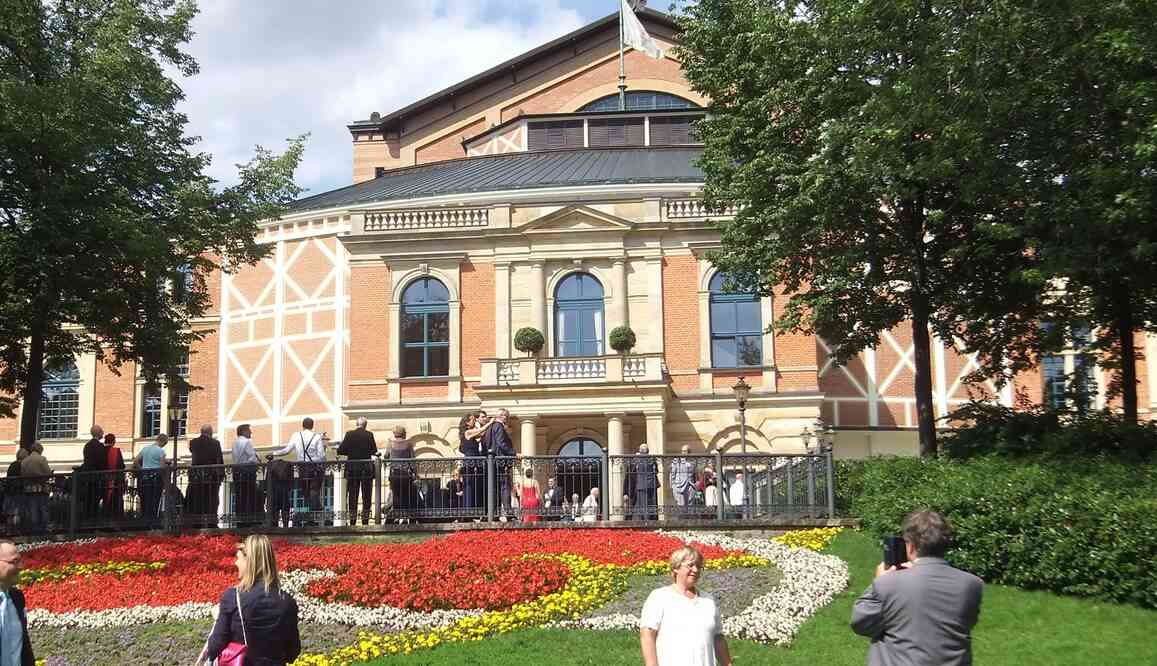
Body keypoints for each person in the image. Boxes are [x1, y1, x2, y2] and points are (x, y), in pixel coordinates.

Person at [851, 510, 983, 666]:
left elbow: (861, 624)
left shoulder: (888, 583)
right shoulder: (972, 584)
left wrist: (878, 582)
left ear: (911, 546)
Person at [198, 535, 301, 666]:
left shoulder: (233, 597)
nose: (236, 563)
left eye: (238, 558)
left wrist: (219, 619)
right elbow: (292, 652)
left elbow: (214, 648)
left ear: (249, 561)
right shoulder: (288, 602)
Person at [640, 546, 732, 666]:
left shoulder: (708, 600)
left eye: (699, 566)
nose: (696, 570)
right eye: (690, 565)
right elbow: (647, 634)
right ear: (676, 568)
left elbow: (718, 638)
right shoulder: (660, 597)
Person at [271, 417, 329, 527]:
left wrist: (274, 454)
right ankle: (314, 515)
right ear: (312, 426)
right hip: (314, 467)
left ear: (303, 425)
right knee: (314, 491)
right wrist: (321, 463)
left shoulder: (296, 436)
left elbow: (287, 450)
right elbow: (321, 456)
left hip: (302, 468)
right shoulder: (317, 437)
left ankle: (311, 515)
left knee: (306, 492)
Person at [0, 540, 36, 666]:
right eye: (14, 562)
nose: (20, 567)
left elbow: (24, 647)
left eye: (20, 561)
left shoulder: (17, 598)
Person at [337, 417, 378, 526]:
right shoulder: (369, 434)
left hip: (352, 469)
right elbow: (374, 450)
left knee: (352, 496)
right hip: (366, 469)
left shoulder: (349, 434)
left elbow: (341, 450)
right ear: (365, 425)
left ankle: (352, 521)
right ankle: (365, 521)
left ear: (356, 424)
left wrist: (351, 452)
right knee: (366, 496)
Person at [481, 408, 515, 521]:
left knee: (494, 488)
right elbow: (501, 444)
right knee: (505, 487)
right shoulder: (499, 426)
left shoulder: (489, 427)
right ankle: (508, 513)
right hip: (501, 462)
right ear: (502, 416)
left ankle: (494, 514)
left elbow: (485, 444)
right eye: (507, 417)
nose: (507, 419)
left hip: (492, 462)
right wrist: (514, 453)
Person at [188, 424, 225, 527]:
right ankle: (211, 523)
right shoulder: (215, 443)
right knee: (212, 500)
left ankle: (197, 523)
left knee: (198, 500)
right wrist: (221, 474)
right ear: (210, 432)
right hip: (211, 477)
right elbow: (219, 460)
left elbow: (193, 453)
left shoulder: (193, 442)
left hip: (196, 477)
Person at [134, 434, 169, 525]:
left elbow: (136, 461)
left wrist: (142, 470)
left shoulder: (145, 449)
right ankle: (153, 521)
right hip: (156, 478)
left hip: (145, 478)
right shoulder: (161, 451)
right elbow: (162, 467)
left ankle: (145, 520)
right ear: (163, 442)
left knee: (146, 499)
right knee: (155, 500)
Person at [231, 424, 261, 527]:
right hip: (247, 473)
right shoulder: (247, 442)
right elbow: (252, 458)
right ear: (243, 431)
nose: (250, 432)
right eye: (249, 430)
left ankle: (240, 521)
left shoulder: (234, 443)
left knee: (240, 497)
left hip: (237, 473)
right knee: (250, 496)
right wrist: (257, 460)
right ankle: (249, 521)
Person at [386, 426, 415, 524]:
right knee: (406, 496)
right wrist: (415, 473)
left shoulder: (390, 443)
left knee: (396, 496)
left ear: (395, 434)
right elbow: (412, 460)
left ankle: (396, 517)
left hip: (394, 473)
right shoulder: (408, 443)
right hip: (406, 473)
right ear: (403, 433)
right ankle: (405, 517)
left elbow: (386, 456)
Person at [20, 443, 52, 532]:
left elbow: (22, 474)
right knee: (43, 509)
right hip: (41, 488)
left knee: (32, 510)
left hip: (29, 489)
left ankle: (34, 530)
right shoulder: (42, 459)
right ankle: (43, 530)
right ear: (40, 450)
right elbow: (48, 473)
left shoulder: (24, 461)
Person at [80, 425, 107, 520]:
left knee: (88, 501)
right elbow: (102, 462)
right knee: (95, 500)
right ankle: (93, 520)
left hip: (87, 477)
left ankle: (87, 519)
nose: (103, 433)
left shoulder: (87, 445)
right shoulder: (100, 446)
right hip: (97, 477)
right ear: (98, 433)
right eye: (101, 431)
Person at [630, 444, 660, 521]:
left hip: (642, 484)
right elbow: (656, 471)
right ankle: (652, 519)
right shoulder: (652, 459)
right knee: (652, 503)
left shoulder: (637, 459)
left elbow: (632, 471)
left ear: (640, 450)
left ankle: (645, 520)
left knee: (643, 504)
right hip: (652, 484)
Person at [101, 434, 126, 521]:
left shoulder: (100, 450)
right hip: (115, 480)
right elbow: (121, 466)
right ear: (113, 441)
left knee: (105, 501)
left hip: (102, 480)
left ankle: (104, 518)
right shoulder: (116, 451)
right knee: (115, 502)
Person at [669, 445, 697, 518]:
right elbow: (672, 473)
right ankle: (682, 520)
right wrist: (672, 485)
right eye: (682, 451)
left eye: (685, 451)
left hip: (690, 485)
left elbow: (695, 473)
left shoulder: (693, 461)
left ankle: (690, 521)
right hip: (679, 485)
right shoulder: (677, 461)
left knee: (690, 505)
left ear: (689, 452)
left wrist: (696, 484)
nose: (683, 453)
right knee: (681, 506)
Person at [3, 451, 27, 531]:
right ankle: (16, 530)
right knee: (17, 512)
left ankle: (10, 530)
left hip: (10, 492)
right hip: (17, 492)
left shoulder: (12, 464)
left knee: (10, 513)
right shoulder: (21, 465)